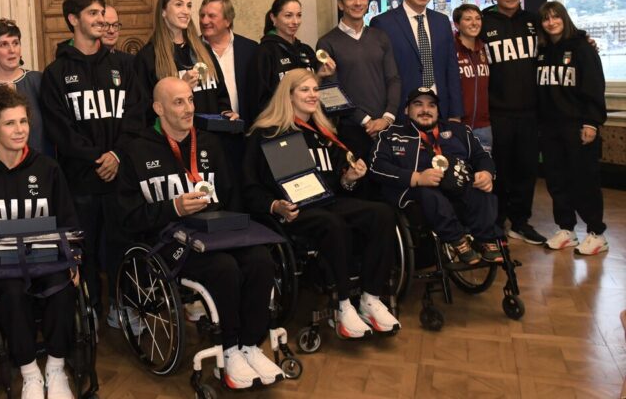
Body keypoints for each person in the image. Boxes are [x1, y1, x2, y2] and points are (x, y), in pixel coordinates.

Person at [116, 77, 285, 389]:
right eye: (179, 102)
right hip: (169, 240)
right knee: (224, 269)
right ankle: (230, 350)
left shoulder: (209, 143)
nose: (188, 108)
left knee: (260, 259)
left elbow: (232, 197)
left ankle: (250, 344)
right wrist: (174, 208)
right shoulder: (136, 151)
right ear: (158, 108)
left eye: (190, 100)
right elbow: (127, 218)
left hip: (218, 233)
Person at [243, 69, 400, 338]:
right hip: (290, 213)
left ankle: (370, 298)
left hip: (326, 202)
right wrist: (275, 205)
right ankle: (342, 306)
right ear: (288, 95)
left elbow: (339, 184)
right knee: (333, 223)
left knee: (382, 214)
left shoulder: (324, 133)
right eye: (304, 90)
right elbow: (250, 188)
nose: (312, 95)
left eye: (315, 90)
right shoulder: (267, 133)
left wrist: (350, 178)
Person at [0, 86, 80, 399]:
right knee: (9, 291)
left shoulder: (47, 169)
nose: (20, 130)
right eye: (10, 123)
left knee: (63, 282)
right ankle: (30, 373)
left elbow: (69, 223)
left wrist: (74, 257)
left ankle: (56, 370)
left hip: (47, 261)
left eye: (23, 121)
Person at [39, 0, 144, 320]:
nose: (102, 20)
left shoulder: (123, 66)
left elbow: (136, 116)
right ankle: (90, 309)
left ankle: (122, 304)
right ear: (73, 19)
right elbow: (60, 129)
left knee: (122, 244)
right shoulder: (56, 73)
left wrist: (115, 155)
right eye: (93, 14)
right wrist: (95, 159)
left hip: (121, 175)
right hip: (81, 180)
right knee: (83, 250)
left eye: (102, 13)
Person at [370, 87, 504, 265]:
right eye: (418, 104)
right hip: (415, 197)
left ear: (438, 110)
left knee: (480, 188)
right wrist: (416, 177)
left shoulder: (459, 131)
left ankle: (486, 238)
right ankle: (457, 239)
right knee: (429, 193)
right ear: (406, 110)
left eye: (431, 105)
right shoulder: (391, 135)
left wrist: (486, 173)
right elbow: (376, 166)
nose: (425, 110)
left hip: (457, 189)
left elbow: (482, 157)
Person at [536, 1, 609, 255]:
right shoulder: (542, 50)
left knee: (584, 180)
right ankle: (566, 229)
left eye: (556, 17)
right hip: (550, 127)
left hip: (578, 126)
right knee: (556, 180)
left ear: (564, 19)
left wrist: (591, 122)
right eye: (546, 19)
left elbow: (594, 86)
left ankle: (596, 233)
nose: (551, 22)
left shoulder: (582, 48)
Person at [479, 0, 546, 244]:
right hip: (498, 112)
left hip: (530, 112)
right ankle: (497, 222)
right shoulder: (483, 22)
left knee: (526, 169)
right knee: (500, 169)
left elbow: (559, 39)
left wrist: (585, 39)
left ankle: (521, 222)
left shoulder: (534, 21)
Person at [317, 0, 400, 166]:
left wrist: (386, 118)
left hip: (386, 127)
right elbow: (330, 91)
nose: (358, 2)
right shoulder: (327, 42)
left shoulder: (380, 37)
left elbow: (393, 79)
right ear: (340, 4)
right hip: (352, 129)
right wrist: (366, 121)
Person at [371, 0, 462, 121]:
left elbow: (451, 68)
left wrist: (455, 112)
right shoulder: (383, 23)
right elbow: (378, 75)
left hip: (439, 109)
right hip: (402, 110)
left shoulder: (442, 21)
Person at [134, 0, 235, 123]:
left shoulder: (204, 48)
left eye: (189, 6)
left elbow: (221, 95)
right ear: (163, 11)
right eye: (178, 5)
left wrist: (226, 113)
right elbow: (144, 110)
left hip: (211, 138)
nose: (186, 11)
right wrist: (181, 88)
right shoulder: (148, 56)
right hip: (174, 139)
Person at [245, 0, 335, 121]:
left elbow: (312, 92)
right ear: (273, 18)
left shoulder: (306, 50)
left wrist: (320, 75)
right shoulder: (264, 52)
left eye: (299, 15)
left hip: (309, 124)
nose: (295, 22)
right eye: (288, 16)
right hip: (280, 126)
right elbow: (257, 99)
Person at [0, 18, 50, 155]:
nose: (12, 50)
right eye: (3, 45)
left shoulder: (38, 80)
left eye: (15, 43)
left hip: (41, 168)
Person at [199, 0, 259, 119]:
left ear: (228, 20)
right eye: (202, 15)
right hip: (207, 132)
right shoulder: (191, 50)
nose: (204, 21)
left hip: (245, 129)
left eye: (211, 16)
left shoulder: (250, 49)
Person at [453, 4, 491, 151]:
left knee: (484, 170)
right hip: (458, 124)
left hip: (484, 125)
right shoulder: (450, 49)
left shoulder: (485, 48)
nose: (474, 23)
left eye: (477, 18)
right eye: (468, 19)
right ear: (457, 24)